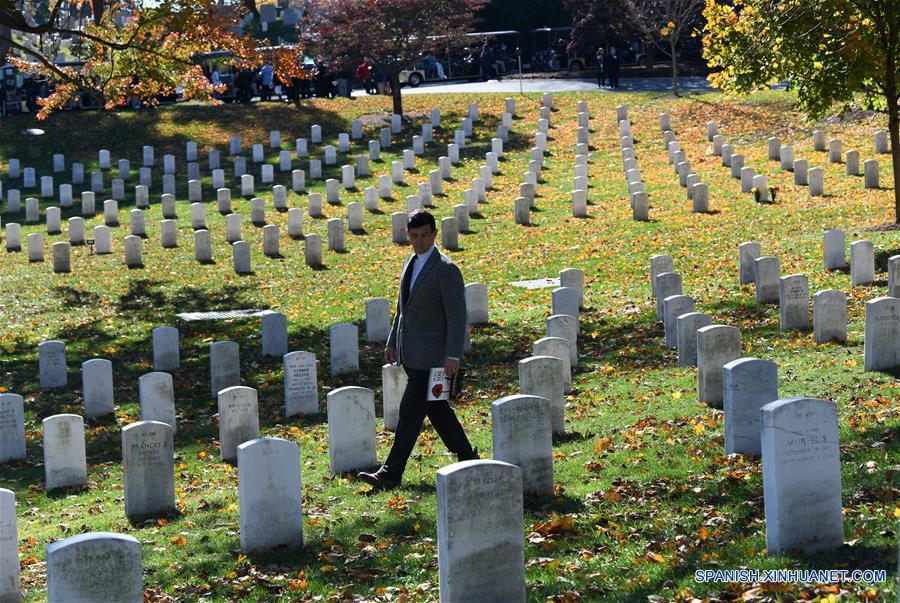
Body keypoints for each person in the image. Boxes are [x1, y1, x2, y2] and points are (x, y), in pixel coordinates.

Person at [359, 210, 479, 491]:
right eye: (414, 236)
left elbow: (457, 316)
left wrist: (453, 356)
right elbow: (403, 309)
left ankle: (390, 473)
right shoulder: (409, 263)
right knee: (438, 410)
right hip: (411, 352)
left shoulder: (446, 269)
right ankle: (467, 456)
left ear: (434, 234)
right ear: (408, 236)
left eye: (425, 235)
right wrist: (392, 341)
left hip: (435, 359)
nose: (420, 241)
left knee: (410, 411)